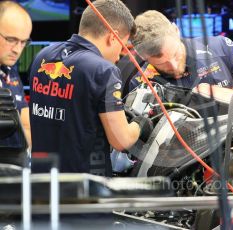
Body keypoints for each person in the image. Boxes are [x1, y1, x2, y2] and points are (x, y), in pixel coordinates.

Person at [29, 0, 153, 176]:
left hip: (40, 182)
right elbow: (120, 140)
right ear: (112, 37)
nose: (119, 55)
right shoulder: (104, 70)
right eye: (122, 45)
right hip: (84, 190)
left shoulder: (42, 56)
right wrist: (140, 124)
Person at [127, 10, 233, 104]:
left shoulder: (222, 47)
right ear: (141, 56)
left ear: (176, 30)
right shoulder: (140, 82)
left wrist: (213, 94)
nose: (174, 66)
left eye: (176, 54)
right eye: (162, 64)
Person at [0, 0, 31, 147]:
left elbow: (26, 124)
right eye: (11, 40)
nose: (17, 50)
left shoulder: (9, 69)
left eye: (24, 42)